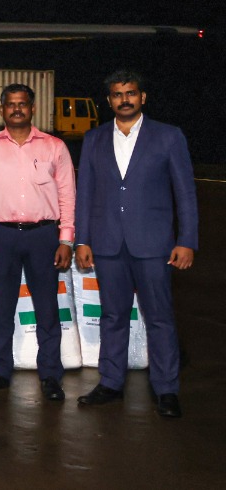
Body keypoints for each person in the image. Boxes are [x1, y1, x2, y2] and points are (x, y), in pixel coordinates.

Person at [75, 71, 196, 419]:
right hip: (108, 243)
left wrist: (187, 240)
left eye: (130, 93)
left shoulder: (168, 136)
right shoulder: (94, 139)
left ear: (143, 97)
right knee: (112, 316)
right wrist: (82, 239)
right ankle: (110, 382)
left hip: (154, 244)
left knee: (159, 318)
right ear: (109, 100)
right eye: (117, 94)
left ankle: (166, 389)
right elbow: (86, 194)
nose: (124, 99)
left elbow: (185, 193)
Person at [0, 83, 75, 402]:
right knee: (2, 308)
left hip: (44, 235)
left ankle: (51, 373)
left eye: (22, 104)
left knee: (47, 308)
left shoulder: (54, 146)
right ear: (2, 109)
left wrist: (66, 239)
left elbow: (68, 195)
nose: (17, 109)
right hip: (0, 235)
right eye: (11, 104)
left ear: (32, 108)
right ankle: (0, 369)